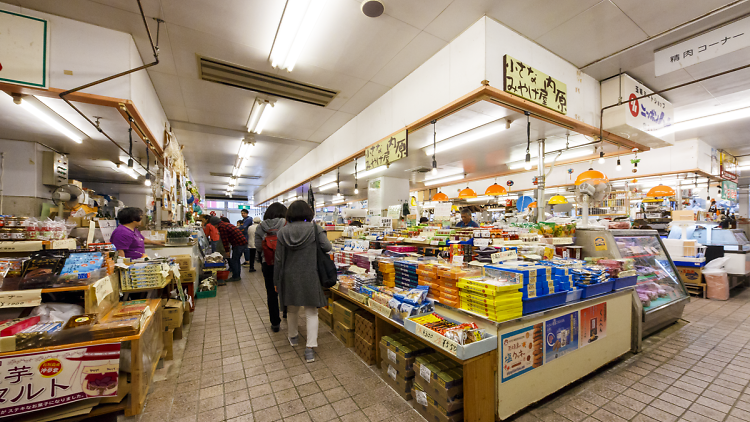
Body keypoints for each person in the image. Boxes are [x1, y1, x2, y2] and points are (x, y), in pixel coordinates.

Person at [274, 200, 331, 363]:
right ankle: (310, 348)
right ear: (309, 213)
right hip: (310, 275)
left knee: (291, 309)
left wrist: (276, 280)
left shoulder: (282, 232)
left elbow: (278, 260)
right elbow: (327, 247)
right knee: (311, 312)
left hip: (288, 275)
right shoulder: (315, 229)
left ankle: (293, 337)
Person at [255, 203, 287, 331]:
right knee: (286, 288)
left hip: (267, 263)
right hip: (285, 262)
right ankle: (286, 312)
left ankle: (275, 323)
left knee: (271, 292)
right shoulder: (286, 224)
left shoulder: (260, 227)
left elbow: (258, 247)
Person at [211, 216, 246, 282]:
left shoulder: (222, 227)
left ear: (215, 223)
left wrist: (227, 251)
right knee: (236, 260)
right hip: (241, 242)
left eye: (214, 225)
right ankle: (237, 275)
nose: (215, 227)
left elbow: (225, 240)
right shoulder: (224, 224)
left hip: (239, 243)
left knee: (235, 260)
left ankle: (236, 277)